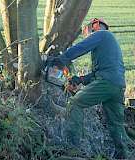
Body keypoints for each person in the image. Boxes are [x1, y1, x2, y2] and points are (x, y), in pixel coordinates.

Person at [49, 18, 134, 159]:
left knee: (75, 103)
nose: (86, 35)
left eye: (86, 32)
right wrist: (80, 79)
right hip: (117, 86)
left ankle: (73, 147)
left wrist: (61, 59)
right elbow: (99, 72)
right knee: (116, 123)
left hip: (106, 83)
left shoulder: (101, 35)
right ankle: (125, 155)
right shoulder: (109, 42)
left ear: (94, 27)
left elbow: (81, 47)